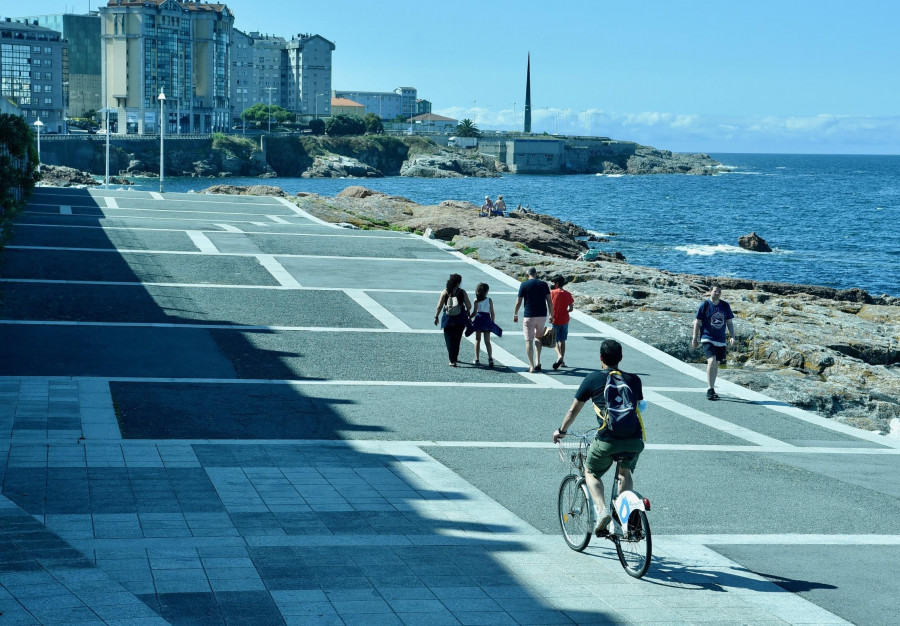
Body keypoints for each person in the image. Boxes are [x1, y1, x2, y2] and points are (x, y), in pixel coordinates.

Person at [552, 339, 646, 535]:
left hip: (608, 439)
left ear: (601, 358)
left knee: (591, 472)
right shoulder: (635, 380)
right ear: (620, 358)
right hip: (635, 440)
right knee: (624, 472)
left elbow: (572, 411)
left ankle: (603, 510)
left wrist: (561, 431)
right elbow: (638, 407)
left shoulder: (593, 379)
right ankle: (623, 515)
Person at [691, 284, 735, 400]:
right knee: (712, 360)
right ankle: (710, 388)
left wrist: (732, 336)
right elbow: (697, 322)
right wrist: (694, 338)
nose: (717, 293)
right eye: (715, 291)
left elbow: (729, 322)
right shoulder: (705, 305)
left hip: (720, 339)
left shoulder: (725, 305)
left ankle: (712, 388)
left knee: (716, 364)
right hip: (707, 337)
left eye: (719, 291)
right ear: (710, 292)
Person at [513, 267, 553, 372]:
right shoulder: (544, 284)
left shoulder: (524, 285)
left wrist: (515, 314)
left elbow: (519, 302)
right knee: (539, 338)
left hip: (529, 315)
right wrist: (551, 315)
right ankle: (538, 362)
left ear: (527, 275)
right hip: (542, 315)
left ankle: (531, 366)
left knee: (529, 340)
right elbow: (549, 301)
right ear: (536, 274)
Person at [434, 273, 472, 367]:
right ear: (458, 283)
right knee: (457, 339)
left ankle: (452, 360)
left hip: (448, 319)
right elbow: (469, 305)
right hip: (460, 318)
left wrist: (436, 316)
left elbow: (439, 306)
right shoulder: (462, 292)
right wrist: (468, 312)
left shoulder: (445, 291)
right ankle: (455, 357)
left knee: (449, 339)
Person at [467, 282, 502, 366]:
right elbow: (492, 312)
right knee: (487, 341)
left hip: (479, 319)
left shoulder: (476, 300)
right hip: (486, 319)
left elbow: (475, 312)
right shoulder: (489, 300)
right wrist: (492, 322)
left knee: (477, 340)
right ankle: (490, 358)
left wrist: (470, 317)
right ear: (487, 291)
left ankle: (477, 359)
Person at [550, 275, 575, 370]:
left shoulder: (552, 292)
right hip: (565, 320)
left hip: (555, 319)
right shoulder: (568, 294)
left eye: (553, 283)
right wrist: (566, 311)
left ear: (556, 283)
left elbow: (549, 304)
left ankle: (559, 355)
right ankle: (562, 361)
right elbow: (571, 308)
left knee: (554, 340)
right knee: (562, 340)